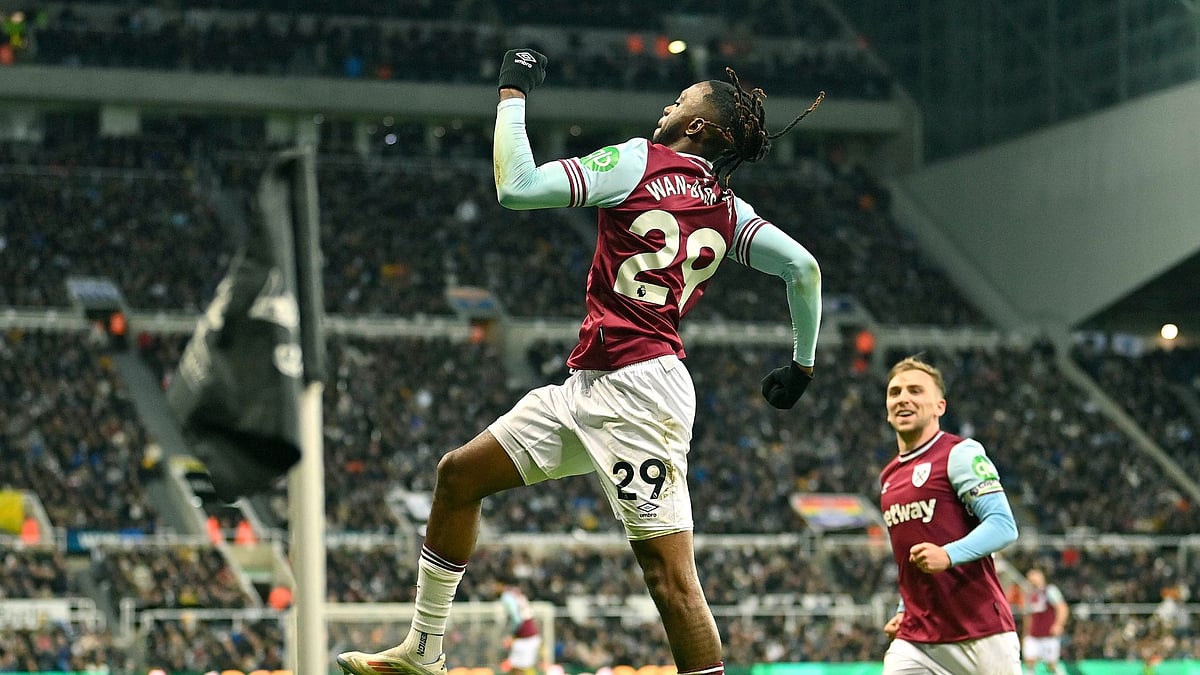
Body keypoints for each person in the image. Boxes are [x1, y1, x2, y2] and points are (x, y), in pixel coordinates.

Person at [337, 48, 824, 675]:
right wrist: (801, 365)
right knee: (459, 476)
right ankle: (424, 652)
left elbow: (517, 187)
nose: (669, 106)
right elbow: (803, 269)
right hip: (591, 384)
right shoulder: (727, 211)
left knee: (671, 579)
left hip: (638, 393)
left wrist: (512, 92)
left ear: (698, 127)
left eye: (682, 102)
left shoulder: (638, 161)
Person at [878, 356, 1021, 675]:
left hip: (980, 632)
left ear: (939, 406)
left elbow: (1004, 526)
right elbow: (909, 559)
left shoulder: (959, 454)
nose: (903, 398)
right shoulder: (889, 477)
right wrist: (904, 608)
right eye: (895, 392)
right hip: (917, 637)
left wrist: (948, 554)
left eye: (915, 390)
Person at [1021, 567, 1068, 674]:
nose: (1031, 578)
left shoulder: (1050, 590)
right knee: (1029, 662)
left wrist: (1059, 625)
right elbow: (1028, 616)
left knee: (1051, 665)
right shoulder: (1029, 594)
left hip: (1048, 635)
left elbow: (1062, 607)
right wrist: (1025, 634)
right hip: (1033, 635)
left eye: (1033, 574)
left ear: (1041, 576)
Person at [497, 582, 542, 675]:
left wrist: (509, 635)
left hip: (525, 639)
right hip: (529, 637)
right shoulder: (518, 595)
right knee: (518, 667)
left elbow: (516, 619)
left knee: (517, 668)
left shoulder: (507, 597)